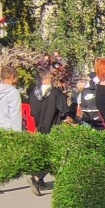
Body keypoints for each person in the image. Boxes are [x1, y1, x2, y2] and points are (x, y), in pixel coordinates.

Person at [28, 65, 73, 195]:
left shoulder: (33, 94)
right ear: (48, 77)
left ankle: (40, 181)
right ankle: (37, 177)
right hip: (54, 127)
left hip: (40, 127)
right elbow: (64, 111)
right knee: (55, 155)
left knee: (43, 154)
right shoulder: (55, 93)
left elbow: (32, 112)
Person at [0, 66, 23, 132]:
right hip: (10, 129)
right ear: (12, 77)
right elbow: (15, 114)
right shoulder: (13, 92)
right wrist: (18, 132)